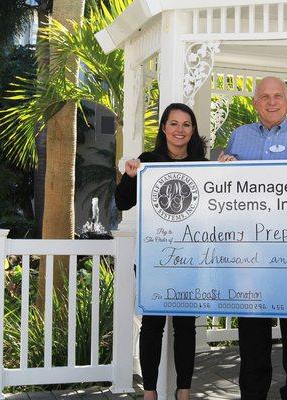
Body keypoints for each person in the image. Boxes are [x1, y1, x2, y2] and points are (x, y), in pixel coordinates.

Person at [218, 76, 287, 400]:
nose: (272, 102)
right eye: (265, 96)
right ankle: (253, 395)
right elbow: (225, 190)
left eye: (278, 96)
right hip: (250, 256)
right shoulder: (238, 138)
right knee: (252, 337)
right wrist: (220, 168)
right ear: (255, 103)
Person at [115, 103, 207, 400]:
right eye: (173, 123)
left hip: (190, 257)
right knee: (153, 325)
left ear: (193, 130)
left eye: (186, 124)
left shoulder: (201, 165)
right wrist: (130, 176)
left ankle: (183, 390)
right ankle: (150, 391)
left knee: (185, 328)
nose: (180, 130)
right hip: (155, 256)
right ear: (164, 128)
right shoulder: (148, 161)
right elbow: (122, 202)